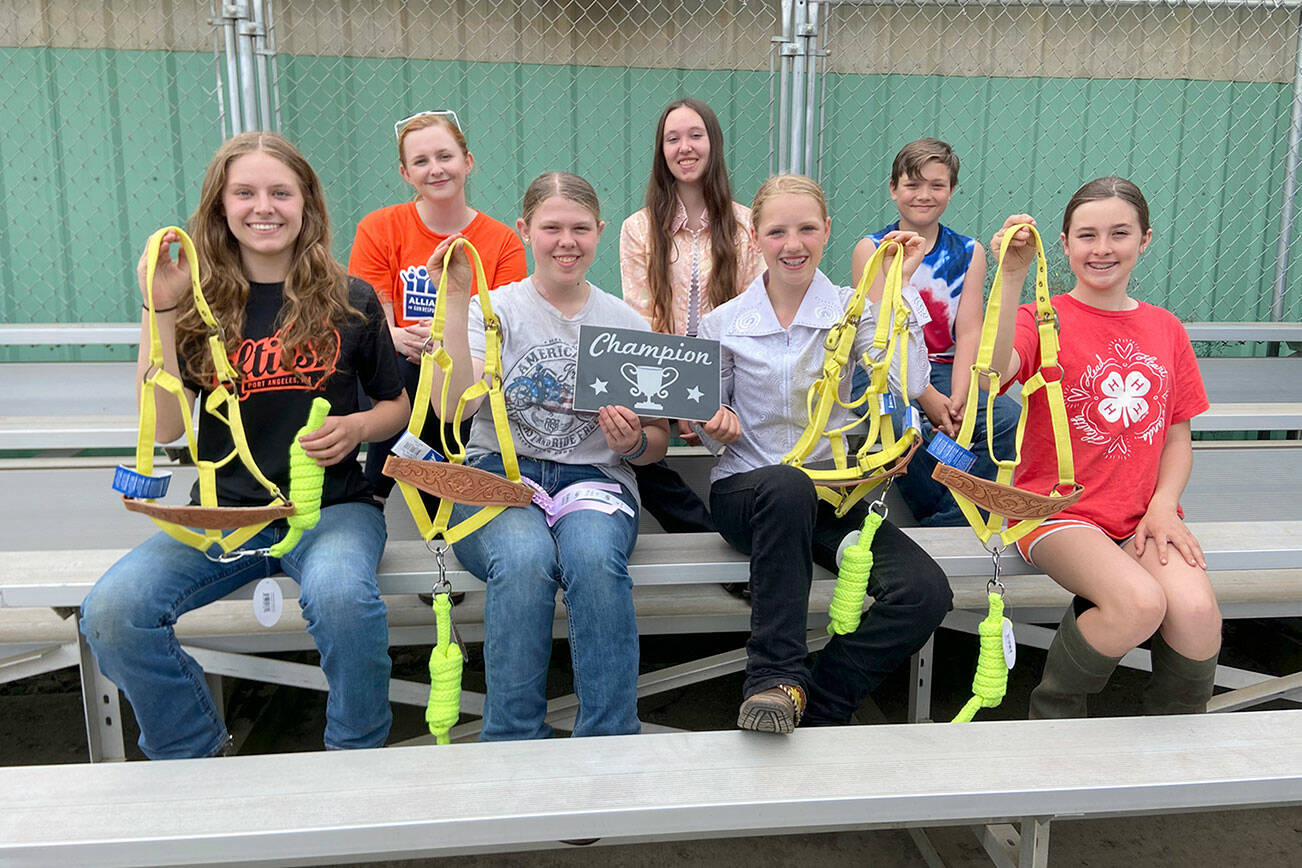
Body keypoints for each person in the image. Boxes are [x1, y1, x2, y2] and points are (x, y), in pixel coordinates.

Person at [80, 132, 410, 759]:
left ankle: (357, 760)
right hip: (225, 514)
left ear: (306, 205)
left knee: (344, 601)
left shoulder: (351, 299)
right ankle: (195, 757)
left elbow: (394, 405)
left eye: (280, 192)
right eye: (246, 192)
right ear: (220, 208)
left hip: (332, 511)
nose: (265, 206)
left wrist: (359, 429)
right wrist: (160, 310)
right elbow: (170, 426)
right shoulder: (198, 303)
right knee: (113, 612)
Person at [697, 174, 952, 733]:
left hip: (832, 495)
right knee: (786, 484)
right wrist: (715, 425)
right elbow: (708, 426)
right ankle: (772, 677)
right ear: (755, 236)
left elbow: (907, 382)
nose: (794, 244)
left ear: (827, 231)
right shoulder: (721, 324)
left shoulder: (851, 309)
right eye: (778, 231)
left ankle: (820, 700)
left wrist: (899, 289)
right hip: (749, 492)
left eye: (807, 228)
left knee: (924, 592)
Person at [428, 172, 672, 741]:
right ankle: (512, 740)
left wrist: (632, 443)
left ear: (599, 233)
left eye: (580, 228)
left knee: (592, 559)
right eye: (552, 227)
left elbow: (657, 442)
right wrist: (457, 294)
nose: (567, 241)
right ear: (524, 231)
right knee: (523, 557)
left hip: (595, 477)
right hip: (499, 471)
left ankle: (608, 740)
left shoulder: (626, 324)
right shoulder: (494, 311)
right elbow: (450, 409)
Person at [986, 178, 1218, 718]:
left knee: (1197, 610)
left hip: (1141, 514)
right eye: (1087, 235)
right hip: (1055, 511)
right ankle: (1053, 721)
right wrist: (1013, 276)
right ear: (1064, 244)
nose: (1102, 248)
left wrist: (1163, 507)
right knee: (1139, 603)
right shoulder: (1040, 318)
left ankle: (1172, 751)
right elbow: (993, 372)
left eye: (1119, 233)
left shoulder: (1165, 327)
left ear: (1145, 240)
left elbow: (1177, 435)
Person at [349, 111, 526, 498]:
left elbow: (502, 327)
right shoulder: (380, 228)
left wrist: (447, 340)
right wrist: (396, 337)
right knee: (409, 366)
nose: (436, 169)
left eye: (445, 156)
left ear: (468, 161)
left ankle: (378, 491)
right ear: (405, 173)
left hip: (468, 369)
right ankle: (437, 499)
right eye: (421, 161)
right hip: (395, 365)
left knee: (440, 367)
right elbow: (372, 318)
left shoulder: (502, 241)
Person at [851, 138, 1019, 526]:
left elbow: (969, 329)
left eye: (936, 185)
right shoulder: (874, 249)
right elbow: (877, 335)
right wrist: (928, 399)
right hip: (882, 372)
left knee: (1005, 416)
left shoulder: (968, 251)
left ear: (951, 191)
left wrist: (959, 396)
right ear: (894, 190)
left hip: (944, 367)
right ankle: (944, 517)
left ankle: (966, 516)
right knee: (901, 422)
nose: (924, 195)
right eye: (912, 185)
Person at [619, 97, 764, 534]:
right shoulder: (639, 228)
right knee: (628, 444)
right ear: (661, 151)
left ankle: (755, 526)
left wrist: (707, 393)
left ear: (713, 144)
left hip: (731, 377)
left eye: (695, 135)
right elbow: (642, 321)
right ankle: (705, 532)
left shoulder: (745, 226)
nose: (685, 147)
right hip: (657, 376)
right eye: (673, 138)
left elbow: (750, 321)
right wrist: (682, 396)